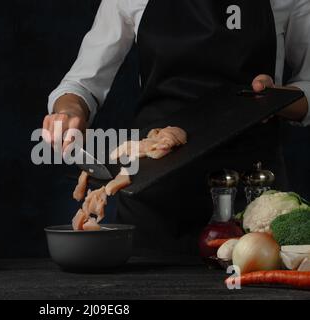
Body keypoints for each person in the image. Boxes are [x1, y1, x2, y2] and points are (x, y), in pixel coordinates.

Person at [43, 0, 310, 254]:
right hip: (153, 196)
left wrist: (276, 98)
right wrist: (69, 112)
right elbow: (82, 83)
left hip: (253, 198)